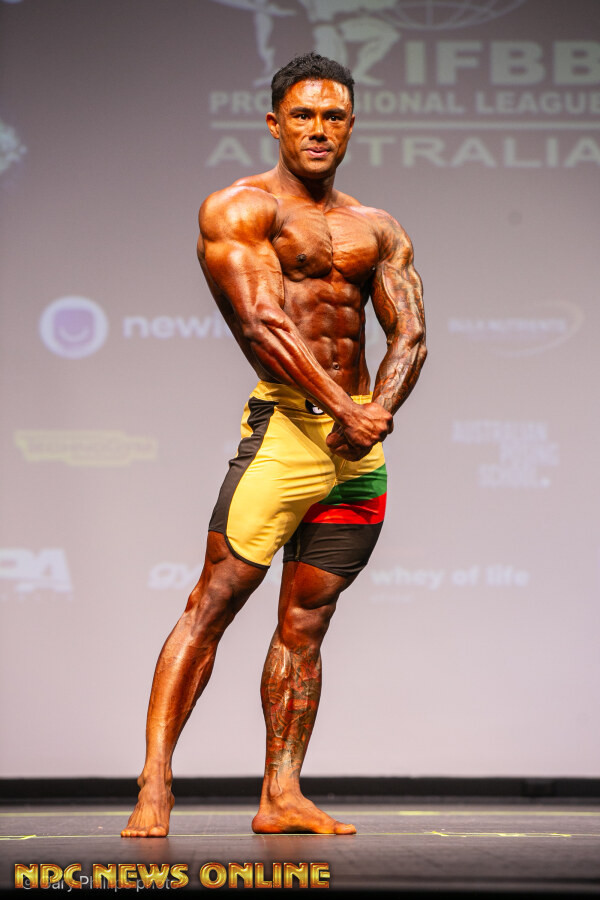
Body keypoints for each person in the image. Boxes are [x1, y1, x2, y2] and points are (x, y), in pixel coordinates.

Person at [122, 51, 426, 839]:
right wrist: (344, 410)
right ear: (274, 123)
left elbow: (411, 333)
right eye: (303, 115)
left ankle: (281, 794)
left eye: (333, 116)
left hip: (357, 445)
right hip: (288, 432)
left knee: (307, 623)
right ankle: (155, 783)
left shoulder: (378, 228)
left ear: (351, 126)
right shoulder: (240, 209)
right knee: (213, 602)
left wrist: (376, 410)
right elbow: (264, 325)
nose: (319, 129)